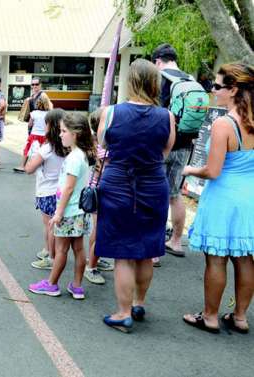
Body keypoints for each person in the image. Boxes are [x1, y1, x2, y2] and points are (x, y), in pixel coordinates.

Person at [95, 59, 176, 333]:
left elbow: (104, 144)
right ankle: (139, 303)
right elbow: (165, 152)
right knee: (145, 250)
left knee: (123, 254)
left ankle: (123, 312)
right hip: (153, 184)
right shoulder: (167, 116)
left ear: (130, 82)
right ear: (156, 83)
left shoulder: (111, 113)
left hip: (118, 183)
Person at [182, 63, 254, 334]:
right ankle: (240, 316)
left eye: (216, 86)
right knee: (245, 259)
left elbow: (213, 171)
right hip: (250, 199)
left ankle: (210, 316)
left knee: (216, 259)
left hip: (224, 198)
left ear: (233, 89)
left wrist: (190, 169)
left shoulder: (224, 124)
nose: (212, 91)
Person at [28, 112, 93, 299]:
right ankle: (77, 286)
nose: (60, 134)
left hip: (68, 211)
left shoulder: (73, 157)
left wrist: (58, 213)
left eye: (64, 131)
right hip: (79, 211)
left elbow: (68, 188)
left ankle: (52, 284)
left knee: (62, 249)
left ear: (76, 134)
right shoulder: (82, 155)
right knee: (79, 249)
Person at [152, 44, 196, 257]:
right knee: (175, 193)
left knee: (156, 194)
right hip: (186, 144)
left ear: (158, 60)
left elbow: (156, 111)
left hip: (164, 144)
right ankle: (176, 241)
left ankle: (154, 250)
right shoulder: (190, 80)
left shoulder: (162, 78)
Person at [24, 109, 68, 270]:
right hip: (62, 192)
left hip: (47, 192)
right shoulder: (69, 147)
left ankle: (51, 256)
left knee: (49, 226)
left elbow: (29, 169)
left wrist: (33, 154)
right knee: (55, 225)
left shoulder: (47, 149)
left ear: (50, 126)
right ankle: (49, 251)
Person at [83, 109, 114, 285]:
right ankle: (91, 266)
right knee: (99, 229)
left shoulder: (95, 143)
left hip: (96, 189)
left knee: (98, 228)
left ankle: (95, 257)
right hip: (101, 191)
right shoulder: (105, 148)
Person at [14, 94, 52, 172]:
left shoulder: (34, 113)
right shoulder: (49, 114)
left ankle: (22, 166)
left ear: (37, 103)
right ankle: (43, 167)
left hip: (34, 135)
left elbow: (30, 124)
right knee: (43, 151)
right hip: (44, 136)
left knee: (27, 149)